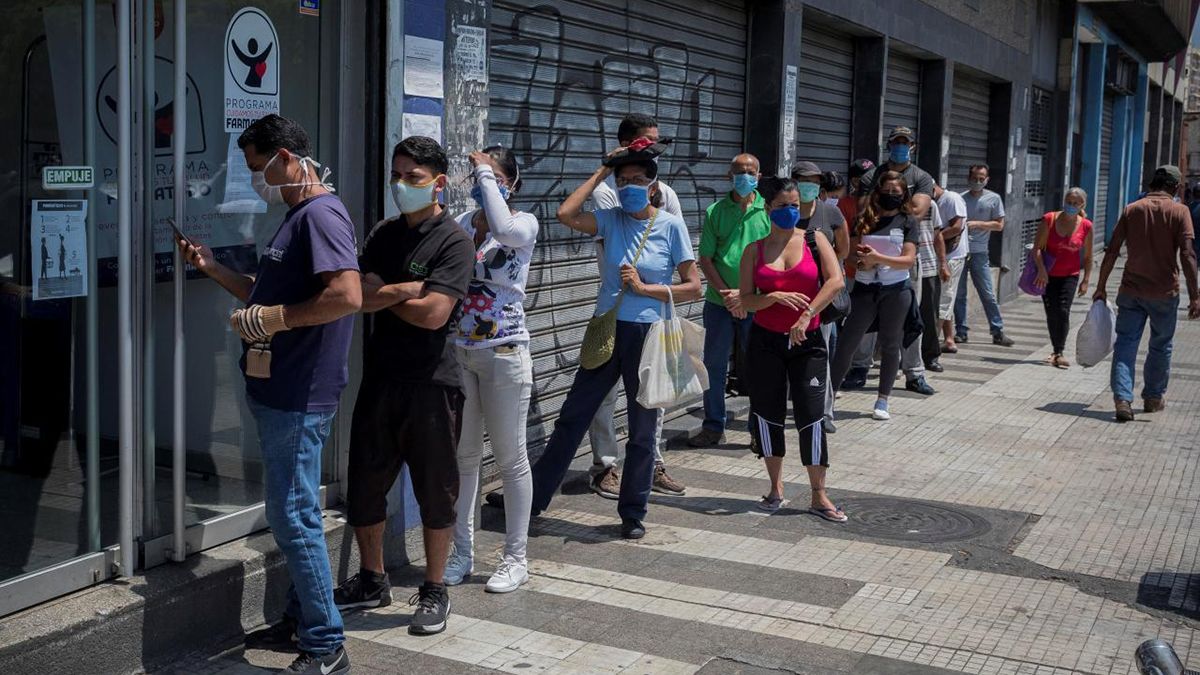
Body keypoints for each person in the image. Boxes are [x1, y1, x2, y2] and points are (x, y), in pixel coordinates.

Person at [178, 114, 360, 675]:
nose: (256, 180)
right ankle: (302, 617)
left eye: (258, 168)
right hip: (278, 387)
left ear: (286, 158)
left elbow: (347, 295)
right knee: (294, 512)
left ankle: (326, 644)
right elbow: (265, 293)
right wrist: (213, 268)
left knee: (293, 517)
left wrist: (275, 319)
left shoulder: (320, 215)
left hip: (299, 392)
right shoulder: (297, 216)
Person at [335, 136, 474, 637]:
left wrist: (384, 293)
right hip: (381, 379)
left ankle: (434, 588)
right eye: (397, 175)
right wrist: (406, 289)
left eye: (412, 177)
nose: (401, 184)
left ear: (438, 183)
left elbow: (434, 315)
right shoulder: (384, 233)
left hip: (432, 385)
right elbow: (355, 296)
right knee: (365, 486)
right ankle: (372, 579)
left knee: (435, 491)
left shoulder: (454, 242)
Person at [529, 139, 700, 539]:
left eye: (637, 180)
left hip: (649, 334)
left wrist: (646, 289)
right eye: (623, 181)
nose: (628, 187)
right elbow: (565, 214)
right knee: (573, 416)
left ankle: (633, 512)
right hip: (607, 329)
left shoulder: (670, 225)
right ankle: (532, 499)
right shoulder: (610, 218)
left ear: (653, 186)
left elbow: (693, 286)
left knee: (642, 428)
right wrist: (603, 171)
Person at [442, 146, 537, 594]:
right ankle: (462, 552)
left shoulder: (523, 224)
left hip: (505, 353)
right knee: (464, 458)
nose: (483, 183)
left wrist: (483, 172)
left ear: (510, 183)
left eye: (494, 177)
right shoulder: (462, 222)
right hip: (462, 351)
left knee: (511, 458)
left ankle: (516, 559)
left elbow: (501, 228)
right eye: (478, 175)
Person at [736, 176, 846, 520]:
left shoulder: (815, 239)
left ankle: (819, 495)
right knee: (767, 413)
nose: (790, 211)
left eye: (795, 206)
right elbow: (746, 300)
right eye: (783, 206)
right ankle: (775, 488)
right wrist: (772, 297)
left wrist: (807, 314)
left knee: (811, 415)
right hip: (765, 342)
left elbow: (836, 281)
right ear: (767, 209)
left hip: (807, 342)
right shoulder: (754, 250)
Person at [588, 113, 686, 497]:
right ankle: (605, 465)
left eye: (657, 142)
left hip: (652, 308)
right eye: (646, 142)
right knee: (604, 393)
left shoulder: (667, 193)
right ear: (627, 145)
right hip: (613, 308)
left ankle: (652, 464)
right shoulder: (608, 191)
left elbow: (674, 242)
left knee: (652, 392)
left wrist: (658, 291)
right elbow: (613, 230)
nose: (655, 149)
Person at [1094, 165, 1199, 422]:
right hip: (1164, 292)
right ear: (1175, 187)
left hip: (1131, 290)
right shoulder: (1180, 211)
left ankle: (1122, 398)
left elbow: (1112, 250)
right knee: (1161, 345)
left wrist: (1101, 286)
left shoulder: (1132, 209)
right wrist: (1195, 295)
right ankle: (1152, 398)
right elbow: (1187, 254)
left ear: (1152, 183)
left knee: (1126, 343)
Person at [690, 153, 769, 447]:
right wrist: (728, 295)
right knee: (714, 365)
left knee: (759, 366)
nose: (745, 177)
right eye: (739, 172)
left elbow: (772, 258)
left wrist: (747, 296)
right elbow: (706, 259)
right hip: (718, 303)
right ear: (729, 176)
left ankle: (757, 430)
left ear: (759, 176)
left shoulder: (768, 211)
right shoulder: (716, 211)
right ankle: (713, 426)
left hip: (756, 303)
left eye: (750, 172)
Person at [830, 171, 919, 421]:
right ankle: (829, 396)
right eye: (886, 191)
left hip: (896, 289)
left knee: (891, 344)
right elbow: (847, 253)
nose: (891, 195)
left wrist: (878, 258)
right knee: (848, 342)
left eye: (896, 192)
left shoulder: (907, 221)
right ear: (878, 192)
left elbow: (908, 260)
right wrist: (861, 262)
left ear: (904, 195)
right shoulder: (864, 218)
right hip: (865, 288)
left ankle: (882, 399)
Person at [790, 161, 848, 432]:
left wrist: (826, 269)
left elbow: (843, 249)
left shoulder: (830, 213)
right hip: (788, 293)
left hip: (819, 295)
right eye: (805, 181)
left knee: (819, 351)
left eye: (815, 182)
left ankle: (824, 412)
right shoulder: (784, 211)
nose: (810, 186)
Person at [954, 164, 1015, 346]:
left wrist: (978, 224)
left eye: (982, 179)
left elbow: (999, 225)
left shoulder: (993, 199)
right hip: (960, 252)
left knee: (987, 293)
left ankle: (997, 331)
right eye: (975, 178)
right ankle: (961, 331)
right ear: (968, 178)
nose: (978, 182)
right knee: (959, 294)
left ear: (987, 180)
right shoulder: (960, 199)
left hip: (980, 253)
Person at [1032, 187, 1093, 369]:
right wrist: (1041, 270)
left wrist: (1086, 280)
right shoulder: (1049, 219)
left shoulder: (1086, 226)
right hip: (1047, 275)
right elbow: (1036, 249)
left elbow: (1088, 257)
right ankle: (1055, 349)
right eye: (1068, 202)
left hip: (1070, 276)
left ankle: (1059, 351)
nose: (1071, 206)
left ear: (1082, 205)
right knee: (1052, 312)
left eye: (1075, 203)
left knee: (1063, 310)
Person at [935, 184, 969, 355]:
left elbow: (957, 227)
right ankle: (949, 339)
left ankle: (930, 344)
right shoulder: (938, 201)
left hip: (951, 258)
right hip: (945, 256)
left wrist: (936, 237)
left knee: (944, 299)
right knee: (947, 297)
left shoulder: (951, 198)